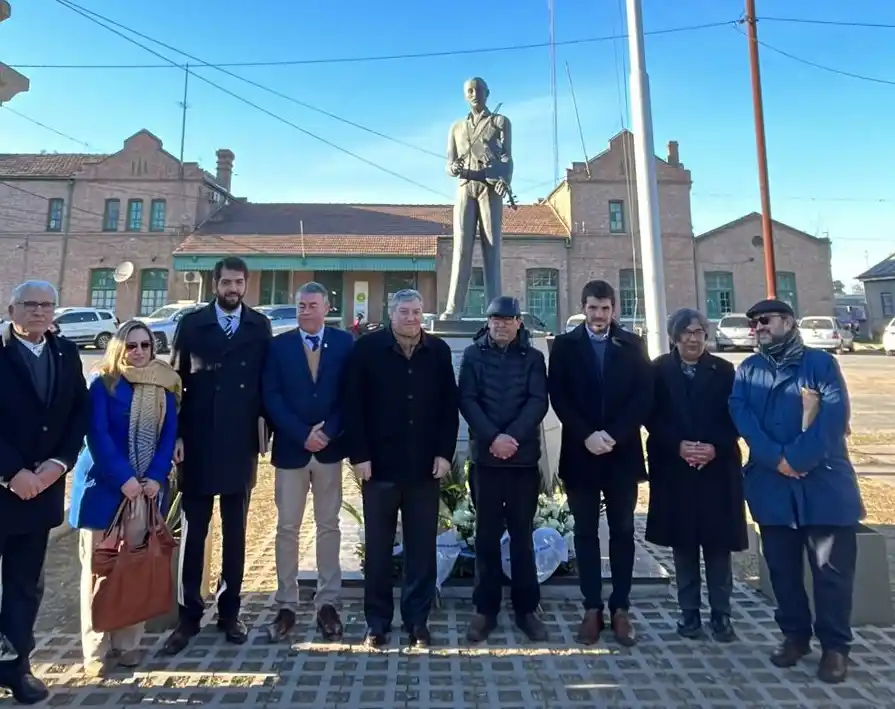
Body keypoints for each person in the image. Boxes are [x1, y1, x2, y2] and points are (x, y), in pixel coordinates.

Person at [729, 298, 864, 684]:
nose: (758, 328)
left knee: (831, 572)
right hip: (773, 486)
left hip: (823, 485)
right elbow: (744, 419)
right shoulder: (748, 371)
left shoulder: (820, 364)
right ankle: (795, 636)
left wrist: (799, 459)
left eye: (765, 321)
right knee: (783, 572)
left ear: (788, 322)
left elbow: (834, 417)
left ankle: (835, 647)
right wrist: (777, 460)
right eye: (754, 323)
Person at [163, 257, 273, 655]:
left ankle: (230, 611)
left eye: (239, 282)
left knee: (236, 532)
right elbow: (175, 385)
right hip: (197, 442)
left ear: (246, 284)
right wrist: (174, 434)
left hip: (239, 443)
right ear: (215, 285)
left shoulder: (259, 326)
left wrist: (268, 434)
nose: (233, 289)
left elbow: (267, 385)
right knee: (195, 531)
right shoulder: (191, 325)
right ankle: (188, 615)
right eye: (227, 282)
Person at [342, 289, 459, 649]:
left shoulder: (437, 352)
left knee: (421, 549)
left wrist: (444, 453)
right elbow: (353, 406)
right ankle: (376, 623)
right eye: (405, 312)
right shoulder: (367, 350)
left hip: (425, 467)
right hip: (379, 467)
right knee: (378, 549)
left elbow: (448, 407)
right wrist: (359, 455)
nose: (412, 318)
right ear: (391, 313)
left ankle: (417, 622)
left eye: (418, 312)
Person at [69, 321, 181, 675]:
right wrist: (125, 479)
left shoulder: (163, 384)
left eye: (145, 345)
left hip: (145, 493)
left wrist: (154, 476)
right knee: (99, 570)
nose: (138, 352)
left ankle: (129, 644)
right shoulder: (102, 383)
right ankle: (96, 649)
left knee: (135, 568)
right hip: (105, 489)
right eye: (130, 345)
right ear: (118, 348)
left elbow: (169, 435)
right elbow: (97, 436)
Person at [547, 280, 652, 647]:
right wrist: (586, 434)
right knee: (586, 534)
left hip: (621, 454)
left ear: (614, 310)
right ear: (583, 307)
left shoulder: (632, 344)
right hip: (581, 452)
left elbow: (643, 394)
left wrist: (616, 435)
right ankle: (592, 607)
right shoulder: (564, 345)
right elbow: (557, 394)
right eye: (593, 308)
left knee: (623, 532)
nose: (599, 315)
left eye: (605, 308)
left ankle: (620, 608)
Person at [0, 280, 89, 704]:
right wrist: (12, 472)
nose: (39, 311)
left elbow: (78, 412)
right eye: (30, 304)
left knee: (24, 586)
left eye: (47, 305)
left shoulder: (65, 353)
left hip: (41, 493)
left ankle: (16, 668)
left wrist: (58, 465)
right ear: (12, 309)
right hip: (5, 485)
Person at [644, 308, 747, 642]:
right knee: (683, 544)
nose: (693, 338)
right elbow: (650, 415)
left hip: (717, 469)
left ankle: (722, 615)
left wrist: (714, 446)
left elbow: (736, 415)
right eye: (686, 332)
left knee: (718, 546)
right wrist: (678, 446)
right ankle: (689, 614)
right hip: (675, 469)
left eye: (699, 331)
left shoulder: (724, 370)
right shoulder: (658, 370)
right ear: (675, 336)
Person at [262, 282, 354, 642]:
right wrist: (302, 433)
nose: (306, 311)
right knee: (287, 528)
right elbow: (271, 395)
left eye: (313, 305)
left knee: (328, 525)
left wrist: (328, 431)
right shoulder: (279, 346)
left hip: (329, 450)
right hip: (291, 449)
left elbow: (351, 393)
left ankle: (327, 602)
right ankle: (286, 603)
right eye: (301, 305)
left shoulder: (345, 343)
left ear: (328, 307)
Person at [458, 296, 549, 643]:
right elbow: (467, 399)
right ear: (488, 321)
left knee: (522, 537)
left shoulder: (534, 358)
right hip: (487, 460)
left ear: (518, 323)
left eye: (507, 320)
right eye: (494, 319)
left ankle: (527, 608)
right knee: (486, 537)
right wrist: (494, 438)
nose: (500, 325)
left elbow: (538, 400)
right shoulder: (473, 355)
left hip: (523, 460)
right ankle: (485, 609)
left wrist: (512, 437)